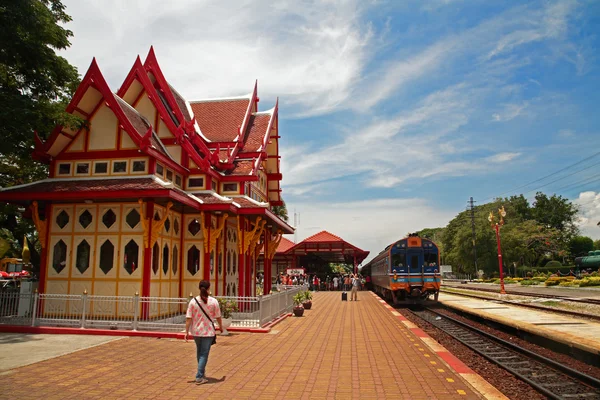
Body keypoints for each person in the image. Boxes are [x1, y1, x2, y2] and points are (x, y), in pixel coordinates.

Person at [185, 280, 222, 385]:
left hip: (196, 331)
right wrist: (221, 327)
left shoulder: (193, 302)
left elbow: (189, 318)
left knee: (200, 352)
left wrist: (187, 331)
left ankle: (201, 372)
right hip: (208, 332)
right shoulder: (213, 301)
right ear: (209, 288)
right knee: (204, 354)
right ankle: (199, 376)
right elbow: (218, 316)